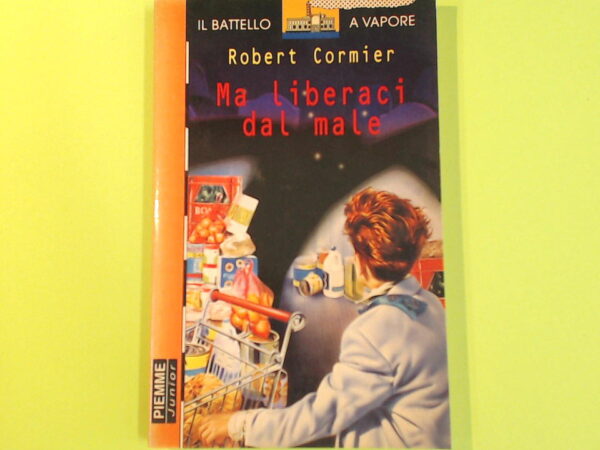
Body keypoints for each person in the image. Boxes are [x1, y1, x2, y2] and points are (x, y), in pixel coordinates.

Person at [195, 188, 450, 448]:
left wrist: (237, 424)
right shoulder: (428, 305)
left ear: (361, 259)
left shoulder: (373, 331)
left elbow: (321, 416)